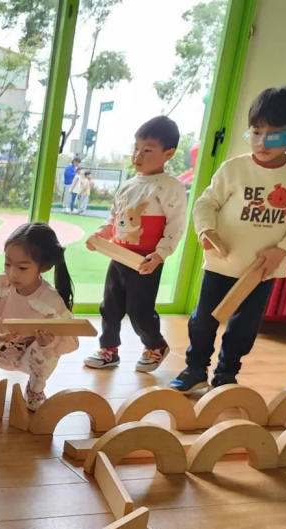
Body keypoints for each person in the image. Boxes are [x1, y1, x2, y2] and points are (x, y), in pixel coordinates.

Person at [171, 85, 286, 392]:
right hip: (223, 262)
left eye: (274, 134)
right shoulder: (234, 168)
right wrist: (206, 230)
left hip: (263, 269)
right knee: (203, 320)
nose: (262, 142)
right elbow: (205, 203)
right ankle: (195, 369)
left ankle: (225, 375)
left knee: (244, 327)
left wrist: (283, 250)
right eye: (256, 132)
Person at [83, 116, 187, 373]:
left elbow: (175, 226)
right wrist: (100, 234)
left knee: (139, 310)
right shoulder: (128, 185)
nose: (138, 155)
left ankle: (155, 345)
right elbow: (114, 219)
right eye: (136, 149)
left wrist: (160, 255)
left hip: (145, 261)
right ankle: (109, 350)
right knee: (110, 306)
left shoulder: (170, 187)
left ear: (169, 153)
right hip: (118, 256)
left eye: (147, 150)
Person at [0, 223, 78, 411]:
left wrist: (46, 343)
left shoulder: (50, 301)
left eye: (22, 268)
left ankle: (35, 390)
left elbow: (69, 340)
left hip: (29, 357)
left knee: (49, 352)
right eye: (7, 264)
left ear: (43, 267)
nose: (12, 273)